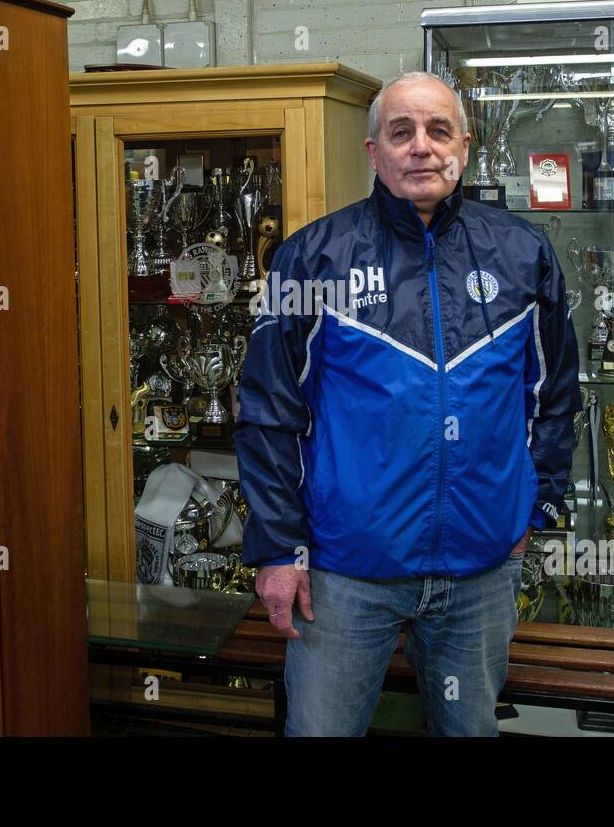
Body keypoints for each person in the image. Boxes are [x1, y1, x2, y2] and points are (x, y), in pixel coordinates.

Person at [234, 70, 581, 736]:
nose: (421, 147)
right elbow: (267, 410)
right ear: (374, 152)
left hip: (480, 572)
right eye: (402, 132)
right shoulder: (311, 259)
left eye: (438, 130)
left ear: (465, 147)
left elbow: (556, 394)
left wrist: (538, 507)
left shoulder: (523, 253)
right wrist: (278, 548)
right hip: (343, 574)